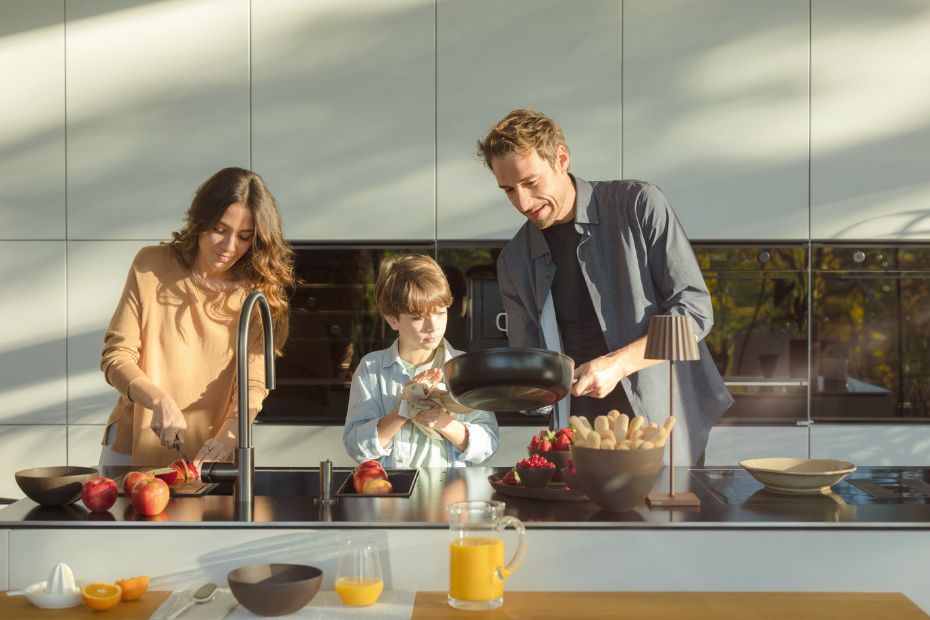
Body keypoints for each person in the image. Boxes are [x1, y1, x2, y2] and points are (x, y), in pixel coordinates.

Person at [476, 109, 732, 465]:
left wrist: (617, 365)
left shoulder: (637, 205)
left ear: (561, 159)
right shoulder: (515, 261)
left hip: (664, 429)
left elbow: (694, 315)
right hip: (579, 437)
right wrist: (475, 394)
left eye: (531, 183)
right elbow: (531, 370)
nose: (523, 203)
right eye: (508, 190)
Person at [99, 167, 295, 470]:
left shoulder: (257, 293)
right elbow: (116, 356)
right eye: (219, 229)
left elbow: (254, 383)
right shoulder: (150, 266)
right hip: (131, 448)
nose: (229, 247)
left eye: (244, 237)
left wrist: (230, 435)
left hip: (209, 452)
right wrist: (158, 400)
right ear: (199, 220)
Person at [343, 254, 499, 467]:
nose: (433, 327)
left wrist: (444, 423)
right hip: (393, 494)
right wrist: (401, 411)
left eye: (440, 313)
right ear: (392, 319)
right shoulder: (372, 368)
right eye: (418, 317)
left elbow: (489, 444)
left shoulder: (466, 367)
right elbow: (356, 448)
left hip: (451, 494)